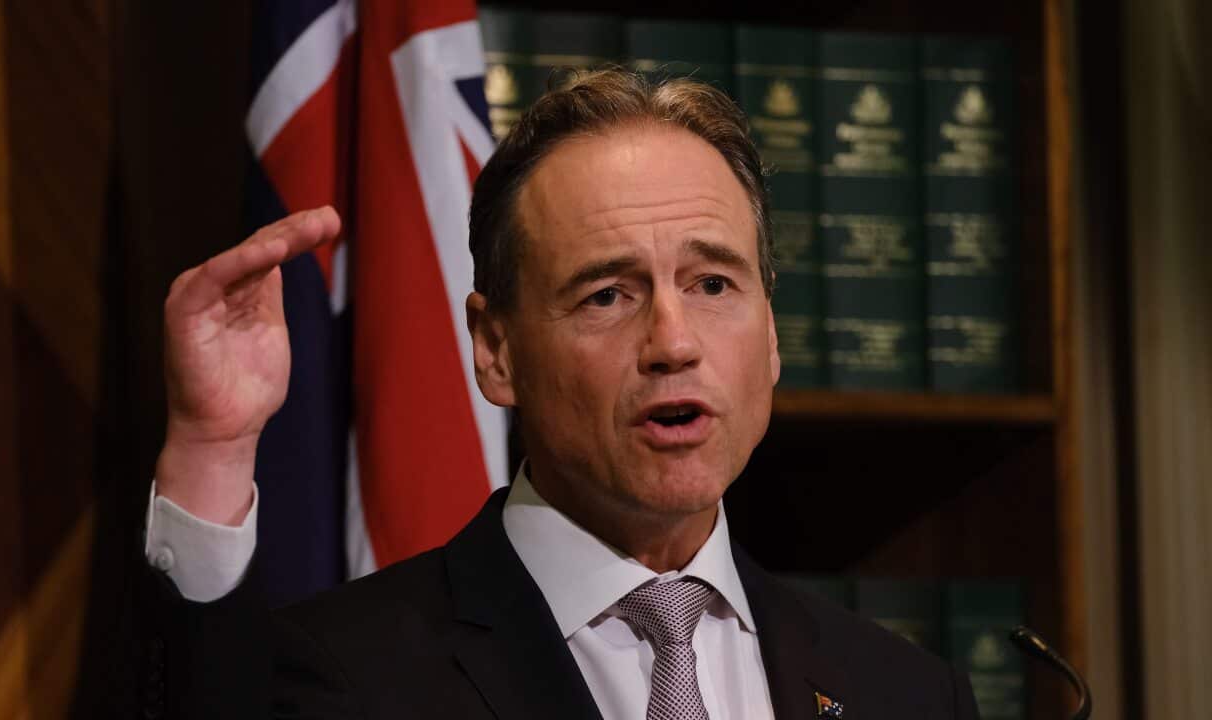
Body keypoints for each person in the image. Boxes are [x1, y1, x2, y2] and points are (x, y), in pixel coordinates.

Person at [140, 69, 980, 719]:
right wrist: (211, 452)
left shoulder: (906, 693)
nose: (674, 343)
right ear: (496, 350)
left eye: (713, 284)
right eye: (607, 294)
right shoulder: (346, 675)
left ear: (772, 333)